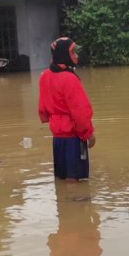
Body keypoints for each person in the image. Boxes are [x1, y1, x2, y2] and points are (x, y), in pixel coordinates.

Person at [38, 36, 95, 181]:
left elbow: (43, 107)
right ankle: (75, 203)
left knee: (61, 178)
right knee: (76, 180)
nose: (76, 55)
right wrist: (88, 134)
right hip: (74, 137)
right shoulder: (70, 79)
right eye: (73, 52)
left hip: (57, 138)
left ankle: (62, 203)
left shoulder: (44, 76)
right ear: (65, 54)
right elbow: (80, 111)